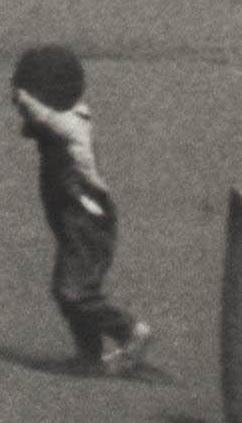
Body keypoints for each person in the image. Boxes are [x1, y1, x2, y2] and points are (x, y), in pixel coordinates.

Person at [9, 44, 154, 373]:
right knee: (70, 292)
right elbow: (35, 123)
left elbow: (42, 116)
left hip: (89, 222)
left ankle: (132, 332)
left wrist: (22, 95)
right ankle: (89, 357)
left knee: (73, 293)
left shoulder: (72, 124)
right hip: (74, 222)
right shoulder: (61, 120)